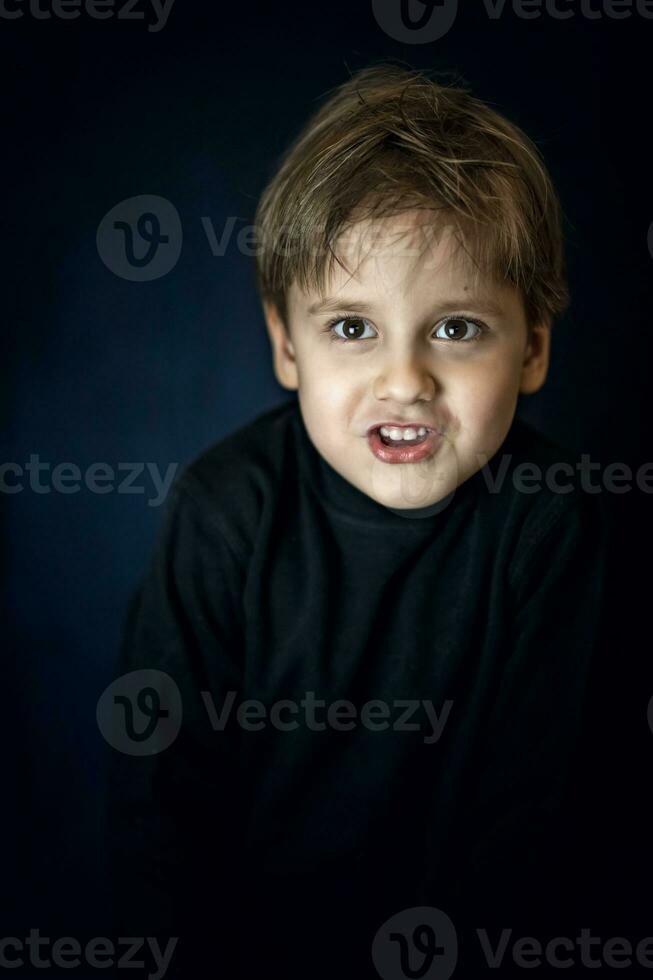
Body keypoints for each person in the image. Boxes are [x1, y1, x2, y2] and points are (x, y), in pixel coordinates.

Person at [106, 62, 609, 979]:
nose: (405, 378)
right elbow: (159, 798)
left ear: (532, 347)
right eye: (350, 328)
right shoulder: (226, 510)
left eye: (456, 328)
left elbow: (539, 818)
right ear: (284, 344)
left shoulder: (553, 523)